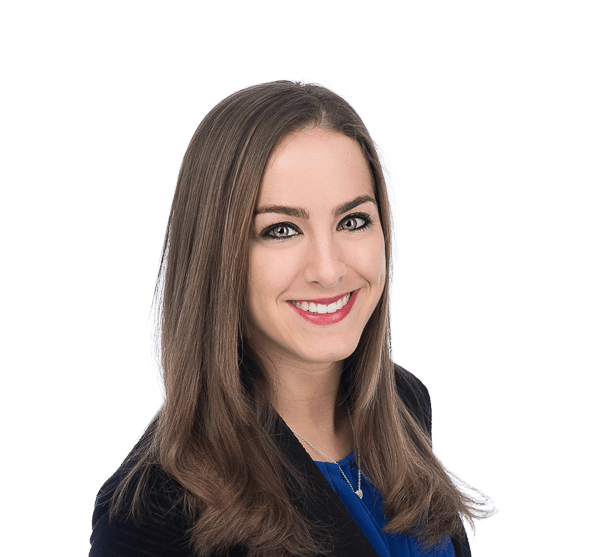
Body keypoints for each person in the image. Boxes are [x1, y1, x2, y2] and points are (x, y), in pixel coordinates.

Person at [90, 81, 488, 557]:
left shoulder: (403, 404)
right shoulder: (153, 512)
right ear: (218, 257)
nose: (329, 269)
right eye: (282, 230)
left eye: (353, 221)